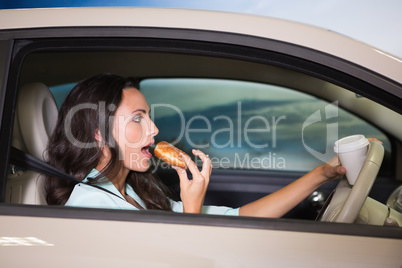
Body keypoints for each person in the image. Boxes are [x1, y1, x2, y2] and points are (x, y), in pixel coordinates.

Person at [44, 73, 370, 217]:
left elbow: (239, 216)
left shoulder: (134, 192)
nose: (155, 128)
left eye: (151, 117)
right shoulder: (90, 209)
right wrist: (192, 209)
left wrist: (321, 174)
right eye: (138, 118)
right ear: (99, 133)